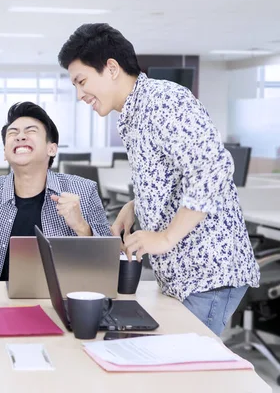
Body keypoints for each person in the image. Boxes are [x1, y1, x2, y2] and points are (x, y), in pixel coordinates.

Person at [57, 23, 260, 335]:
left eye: (81, 81)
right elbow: (178, 174)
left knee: (189, 377)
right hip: (181, 276)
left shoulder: (164, 101)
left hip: (207, 273)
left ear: (111, 68)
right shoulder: (130, 116)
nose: (80, 94)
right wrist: (135, 206)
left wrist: (165, 237)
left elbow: (213, 170)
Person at [0, 102, 111, 281]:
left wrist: (81, 227)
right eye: (13, 133)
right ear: (5, 152)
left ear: (52, 148)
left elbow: (109, 265)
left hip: (63, 302)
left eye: (31, 131)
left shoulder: (83, 191)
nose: (20, 137)